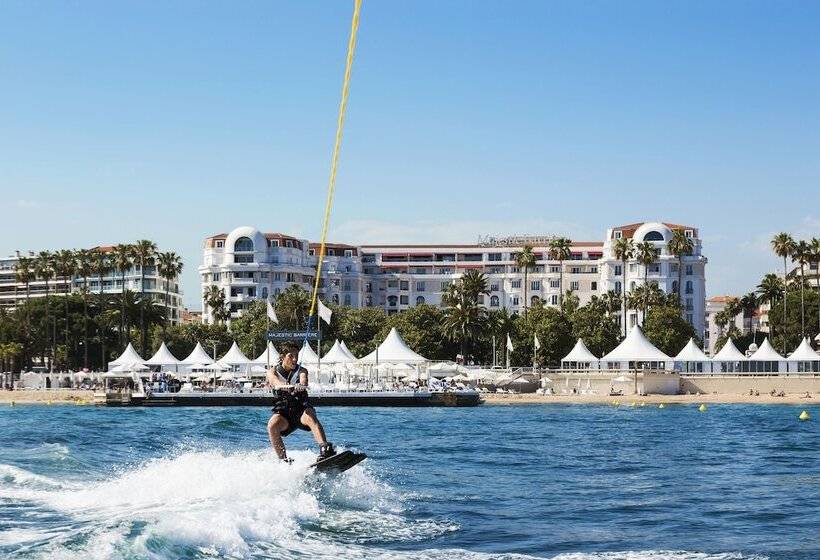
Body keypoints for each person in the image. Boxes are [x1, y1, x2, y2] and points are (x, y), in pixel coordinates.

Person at [266, 343, 335, 463]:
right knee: (272, 425)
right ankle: (283, 460)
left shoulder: (302, 370)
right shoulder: (273, 371)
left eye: (296, 355)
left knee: (309, 414)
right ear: (282, 357)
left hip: (301, 412)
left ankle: (325, 449)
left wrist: (300, 385)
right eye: (290, 356)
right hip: (284, 416)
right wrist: (285, 386)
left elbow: (304, 380)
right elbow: (274, 381)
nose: (294, 359)